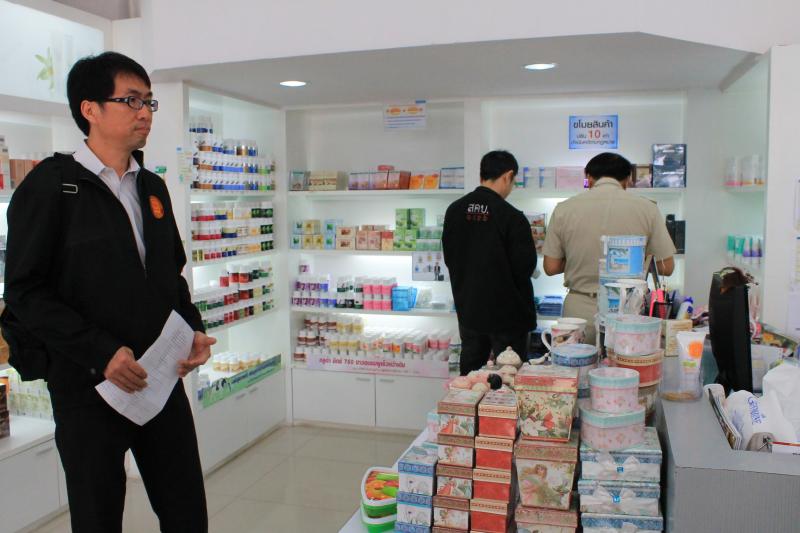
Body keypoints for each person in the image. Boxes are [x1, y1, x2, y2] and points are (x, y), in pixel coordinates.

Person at [3, 52, 215, 533]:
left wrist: (193, 330)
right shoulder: (51, 187)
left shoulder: (152, 187)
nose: (145, 113)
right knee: (97, 517)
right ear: (90, 109)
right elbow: (25, 291)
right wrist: (101, 352)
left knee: (186, 512)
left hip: (158, 382)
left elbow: (171, 276)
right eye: (131, 100)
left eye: (149, 102)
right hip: (88, 388)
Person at [542, 152, 676, 344]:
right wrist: (634, 258)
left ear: (589, 178)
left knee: (573, 361)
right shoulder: (648, 208)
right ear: (627, 179)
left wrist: (577, 258)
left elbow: (551, 267)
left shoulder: (564, 208)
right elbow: (666, 267)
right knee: (624, 361)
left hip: (578, 309)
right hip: (627, 308)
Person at [443, 150, 537, 375]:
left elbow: (450, 258)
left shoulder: (455, 210)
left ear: (482, 175)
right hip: (508, 316)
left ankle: (468, 399)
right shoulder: (512, 216)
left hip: (469, 310)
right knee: (509, 377)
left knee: (471, 377)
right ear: (508, 176)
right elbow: (525, 267)